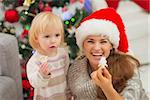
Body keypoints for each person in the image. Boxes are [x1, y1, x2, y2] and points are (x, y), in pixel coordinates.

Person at [67, 8, 149, 100]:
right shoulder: (75, 69)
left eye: (103, 42)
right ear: (83, 45)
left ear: (111, 46)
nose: (97, 48)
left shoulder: (127, 67)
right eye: (90, 41)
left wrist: (107, 88)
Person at [27, 12, 70, 100]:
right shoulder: (35, 60)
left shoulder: (63, 54)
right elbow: (34, 83)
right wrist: (42, 75)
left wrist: (69, 91)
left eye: (57, 35)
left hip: (62, 95)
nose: (53, 40)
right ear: (36, 38)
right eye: (47, 36)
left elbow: (66, 73)